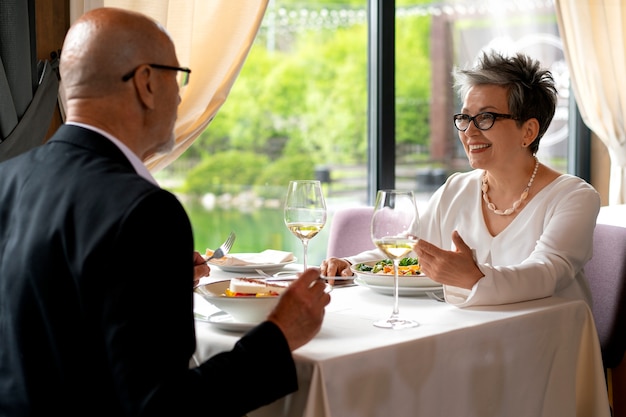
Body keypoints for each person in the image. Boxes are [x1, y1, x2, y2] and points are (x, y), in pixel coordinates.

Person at [0, 7, 330, 417]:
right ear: (147, 83)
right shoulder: (144, 212)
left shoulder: (7, 178)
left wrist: (154, 279)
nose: (179, 94)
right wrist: (280, 335)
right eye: (178, 76)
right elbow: (165, 407)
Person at [321, 51, 600, 308]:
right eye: (465, 118)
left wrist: (473, 276)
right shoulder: (457, 187)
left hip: (545, 342)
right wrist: (350, 264)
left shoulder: (574, 197)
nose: (469, 132)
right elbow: (412, 252)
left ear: (528, 131)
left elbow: (547, 273)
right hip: (468, 334)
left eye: (486, 118)